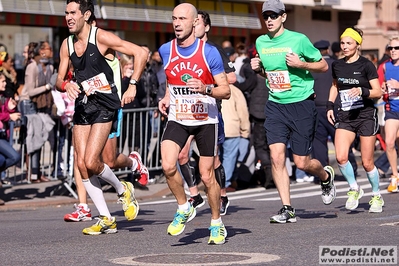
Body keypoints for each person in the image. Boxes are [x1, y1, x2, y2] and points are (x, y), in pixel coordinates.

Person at [56, 0, 148, 234]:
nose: (68, 17)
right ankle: (106, 218)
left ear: (86, 15)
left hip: (106, 104)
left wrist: (133, 85)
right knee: (81, 164)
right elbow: (58, 80)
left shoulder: (101, 37)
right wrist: (66, 84)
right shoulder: (66, 44)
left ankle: (122, 188)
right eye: (66, 13)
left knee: (92, 161)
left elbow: (140, 52)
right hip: (84, 105)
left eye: (73, 13)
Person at [250, 0, 336, 224]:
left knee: (301, 163)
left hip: (301, 105)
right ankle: (287, 208)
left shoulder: (299, 40)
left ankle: (325, 176)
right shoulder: (261, 42)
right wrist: (259, 70)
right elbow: (269, 76)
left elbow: (323, 66)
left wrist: (301, 64)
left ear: (283, 17)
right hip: (275, 105)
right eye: (266, 16)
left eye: (274, 15)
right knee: (277, 157)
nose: (269, 20)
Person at [158, 3, 230, 244]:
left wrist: (206, 88)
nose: (177, 23)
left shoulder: (209, 52)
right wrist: (167, 97)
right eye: (174, 18)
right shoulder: (165, 50)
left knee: (206, 176)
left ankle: (217, 223)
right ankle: (184, 206)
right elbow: (171, 78)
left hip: (205, 119)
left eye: (182, 19)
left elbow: (226, 90)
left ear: (194, 22)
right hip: (179, 117)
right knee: (168, 165)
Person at [178, 10, 236, 215]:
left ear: (207, 27)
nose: (194, 28)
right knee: (182, 154)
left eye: (198, 24)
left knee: (214, 160)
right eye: (192, 24)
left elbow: (232, 78)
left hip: (209, 110)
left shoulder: (213, 50)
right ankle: (194, 196)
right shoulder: (183, 50)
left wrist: (207, 83)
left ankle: (222, 195)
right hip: (186, 111)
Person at [327, 27, 383, 212]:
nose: (344, 46)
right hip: (345, 115)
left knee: (367, 162)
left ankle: (376, 195)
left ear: (357, 45)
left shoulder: (367, 65)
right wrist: (329, 105)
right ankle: (354, 188)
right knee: (341, 156)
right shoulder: (337, 64)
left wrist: (362, 91)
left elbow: (378, 92)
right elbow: (335, 85)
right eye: (343, 43)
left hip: (366, 115)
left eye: (349, 43)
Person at [311, 40, 358, 184]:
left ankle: (322, 173)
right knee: (341, 138)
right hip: (335, 107)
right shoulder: (336, 64)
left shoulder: (311, 67)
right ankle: (352, 168)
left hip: (316, 106)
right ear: (327, 49)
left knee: (318, 141)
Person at [380, 36, 399, 193]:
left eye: (396, 48)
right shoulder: (385, 67)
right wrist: (382, 90)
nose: (393, 51)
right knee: (390, 142)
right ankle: (394, 175)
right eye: (390, 48)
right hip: (391, 109)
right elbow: (379, 87)